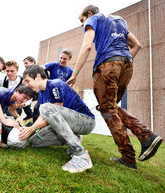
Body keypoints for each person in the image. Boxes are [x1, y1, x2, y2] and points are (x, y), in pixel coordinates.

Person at [67, 5, 163, 170]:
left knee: (107, 109)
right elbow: (137, 45)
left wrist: (75, 73)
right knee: (110, 106)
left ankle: (129, 155)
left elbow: (87, 46)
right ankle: (146, 136)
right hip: (127, 64)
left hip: (107, 65)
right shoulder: (119, 20)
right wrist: (122, 60)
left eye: (82, 21)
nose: (83, 25)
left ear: (89, 14)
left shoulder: (94, 19)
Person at [19, 65, 95, 173]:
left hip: (86, 121)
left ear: (38, 76)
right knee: (34, 141)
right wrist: (31, 128)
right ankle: (74, 137)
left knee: (45, 107)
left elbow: (52, 111)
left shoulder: (55, 84)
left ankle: (81, 154)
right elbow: (43, 116)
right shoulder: (41, 93)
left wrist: (32, 128)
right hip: (68, 123)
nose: (26, 85)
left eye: (28, 81)